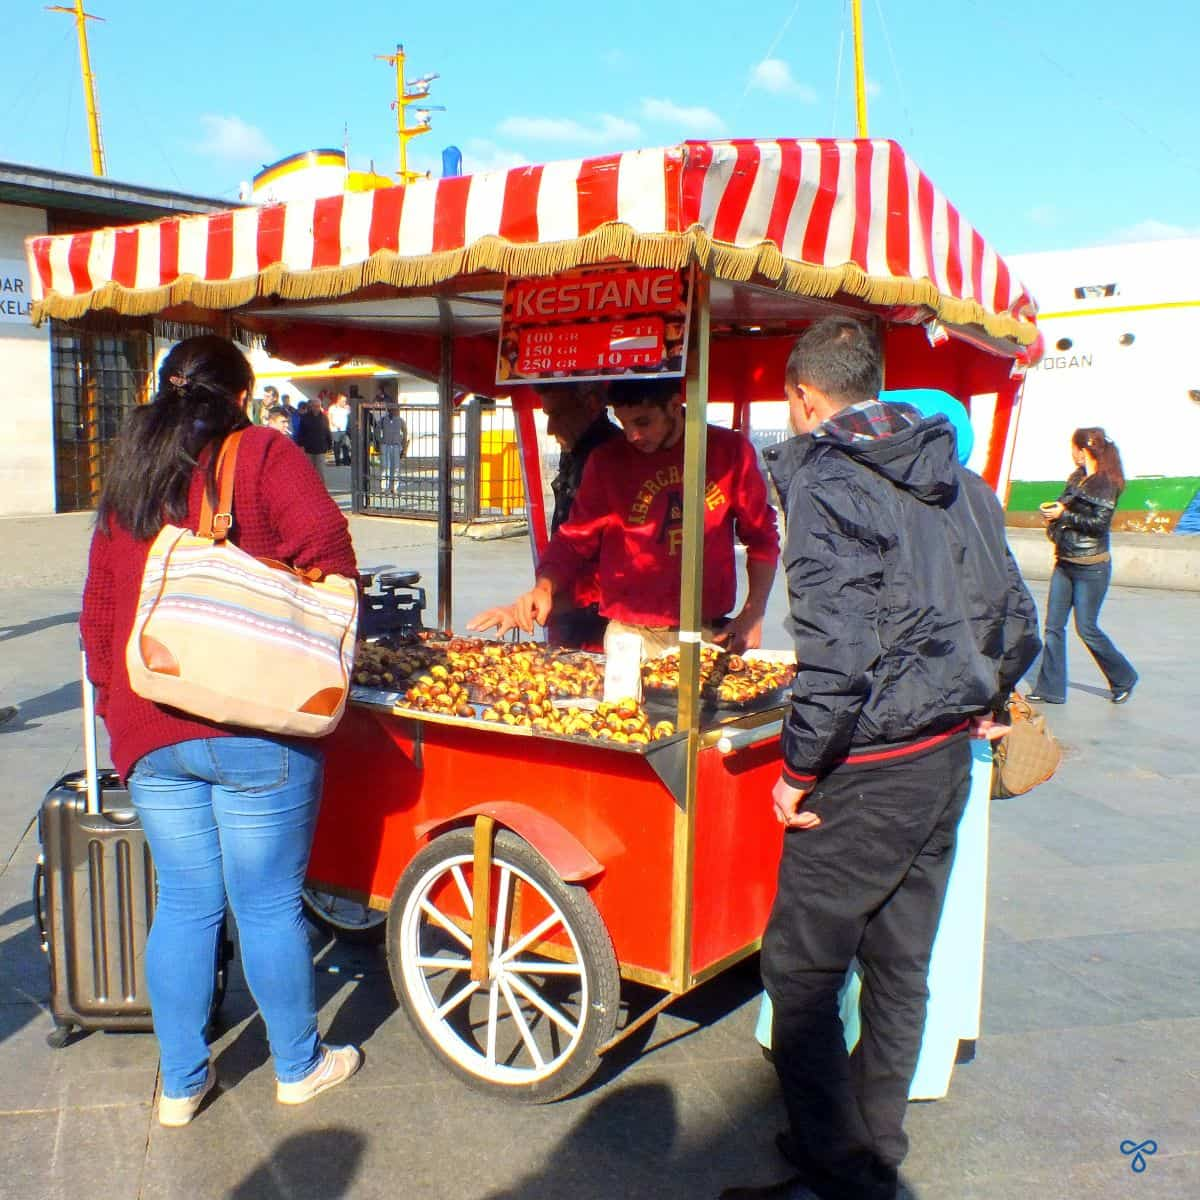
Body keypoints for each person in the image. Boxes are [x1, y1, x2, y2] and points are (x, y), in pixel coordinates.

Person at [721, 319, 1040, 1200]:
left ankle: (839, 1165)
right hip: (942, 762)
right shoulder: (962, 477)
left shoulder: (826, 480)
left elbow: (837, 653)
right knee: (901, 964)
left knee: (802, 972)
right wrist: (984, 699)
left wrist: (796, 770)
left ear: (803, 397)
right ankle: (869, 1148)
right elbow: (1016, 616)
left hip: (866, 767)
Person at [80, 335, 361, 1128]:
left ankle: (179, 1084)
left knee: (186, 903)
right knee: (269, 904)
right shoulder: (265, 453)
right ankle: (299, 1067)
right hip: (256, 724)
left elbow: (100, 620)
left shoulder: (129, 477)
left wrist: (120, 713)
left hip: (149, 723)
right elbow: (333, 562)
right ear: (240, 396)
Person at [469, 377, 780, 657]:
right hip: (628, 633)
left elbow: (762, 537)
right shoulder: (607, 460)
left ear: (674, 407)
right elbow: (574, 539)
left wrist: (753, 614)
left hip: (705, 629)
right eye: (624, 422)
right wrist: (544, 586)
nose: (632, 435)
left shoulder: (729, 451)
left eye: (643, 422)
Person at [1026, 427, 1137, 706]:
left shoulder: (1107, 483)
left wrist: (1066, 515)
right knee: (1053, 626)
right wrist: (1053, 514)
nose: (1071, 454)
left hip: (1091, 566)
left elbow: (1099, 525)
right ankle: (1051, 688)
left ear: (1083, 450)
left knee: (1086, 627)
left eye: (1073, 448)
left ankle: (1123, 677)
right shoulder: (1077, 478)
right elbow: (1065, 505)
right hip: (1064, 562)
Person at [538, 381, 621, 648]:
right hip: (570, 598)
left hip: (600, 610)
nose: (550, 429)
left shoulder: (611, 457)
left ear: (591, 404)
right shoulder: (575, 449)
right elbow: (571, 535)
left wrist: (564, 595)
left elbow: (612, 548)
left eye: (557, 415)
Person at [298, 398, 332, 477]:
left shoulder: (324, 417)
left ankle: (320, 487)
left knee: (320, 471)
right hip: (309, 448)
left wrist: (330, 445)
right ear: (311, 406)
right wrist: (301, 445)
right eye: (314, 406)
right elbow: (301, 432)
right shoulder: (305, 417)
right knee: (309, 470)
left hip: (321, 448)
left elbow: (327, 431)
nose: (316, 408)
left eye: (318, 406)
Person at [379, 404, 408, 494]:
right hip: (385, 445)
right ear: (389, 410)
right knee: (385, 466)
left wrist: (403, 444)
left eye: (396, 410)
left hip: (396, 445)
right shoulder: (383, 419)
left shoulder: (400, 420)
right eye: (392, 410)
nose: (394, 411)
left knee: (396, 467)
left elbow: (405, 432)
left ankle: (394, 487)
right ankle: (384, 487)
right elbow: (377, 430)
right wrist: (380, 440)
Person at [328, 393, 352, 466]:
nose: (344, 402)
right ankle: (337, 461)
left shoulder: (345, 408)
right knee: (337, 446)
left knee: (345, 445)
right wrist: (334, 425)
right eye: (343, 401)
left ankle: (346, 461)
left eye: (345, 401)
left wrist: (349, 409)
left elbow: (350, 416)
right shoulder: (332, 408)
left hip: (344, 430)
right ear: (338, 400)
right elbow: (330, 418)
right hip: (335, 430)